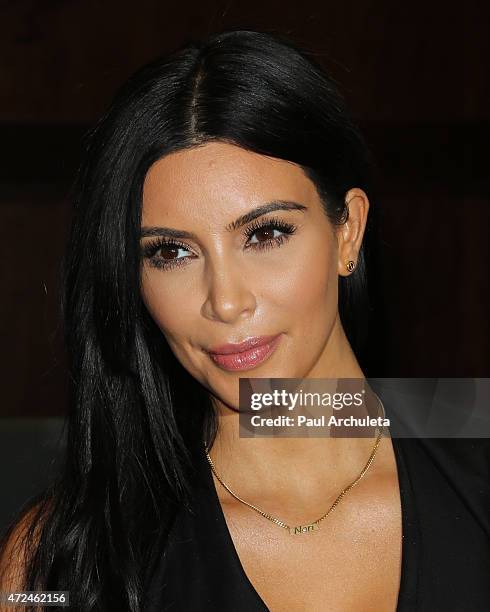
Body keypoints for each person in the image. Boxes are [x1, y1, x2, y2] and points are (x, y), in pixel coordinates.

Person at [0, 28, 489, 612]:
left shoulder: (471, 444)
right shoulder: (57, 564)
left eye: (265, 234)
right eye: (171, 252)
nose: (225, 301)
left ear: (347, 231)